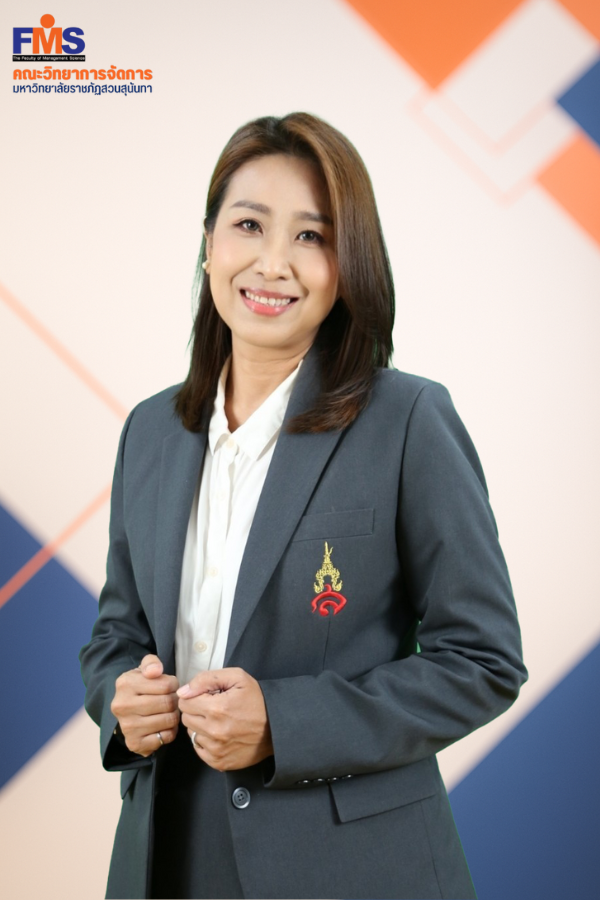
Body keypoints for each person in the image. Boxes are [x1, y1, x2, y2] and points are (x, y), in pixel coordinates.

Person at [80, 112, 527, 900]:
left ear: (347, 265)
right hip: (166, 855)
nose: (273, 263)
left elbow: (483, 662)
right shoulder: (150, 431)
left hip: (347, 869)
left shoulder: (408, 421)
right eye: (249, 224)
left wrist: (283, 724)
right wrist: (122, 701)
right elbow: (117, 633)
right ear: (209, 242)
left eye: (311, 236)